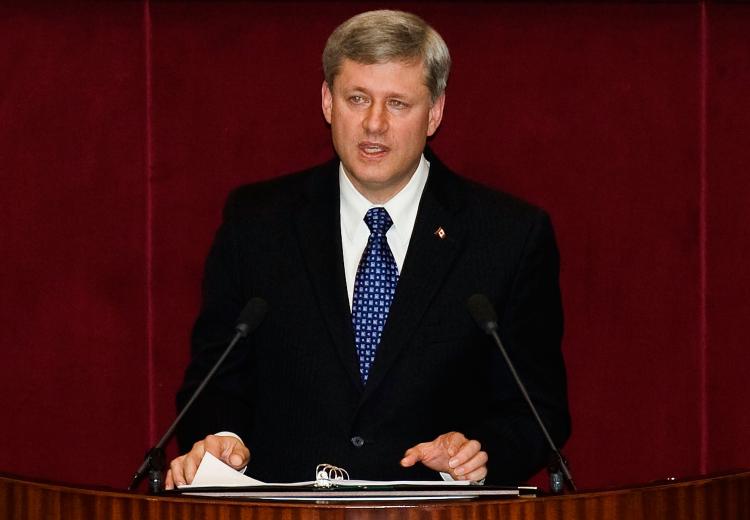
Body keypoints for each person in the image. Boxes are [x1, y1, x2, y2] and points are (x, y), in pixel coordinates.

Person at [165, 9, 570, 490]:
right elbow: (213, 383)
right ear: (327, 101)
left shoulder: (507, 236)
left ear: (435, 111)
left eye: (398, 103)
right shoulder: (257, 224)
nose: (374, 124)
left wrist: (474, 454)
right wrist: (222, 441)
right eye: (357, 98)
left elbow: (537, 411)